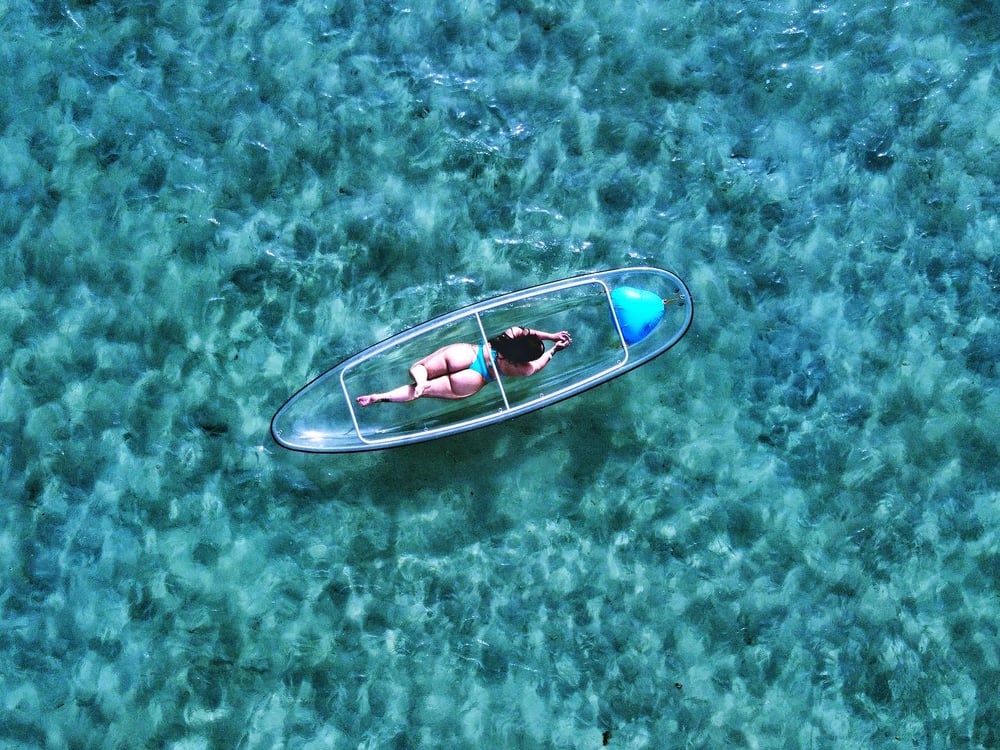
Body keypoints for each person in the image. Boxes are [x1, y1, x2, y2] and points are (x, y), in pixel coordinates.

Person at [355, 326, 572, 406]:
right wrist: (554, 350)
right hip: (475, 378)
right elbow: (539, 363)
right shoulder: (523, 368)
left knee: (419, 368)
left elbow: (529, 332)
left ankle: (421, 380)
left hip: (467, 354)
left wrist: (550, 335)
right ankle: (381, 397)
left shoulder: (512, 333)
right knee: (418, 393)